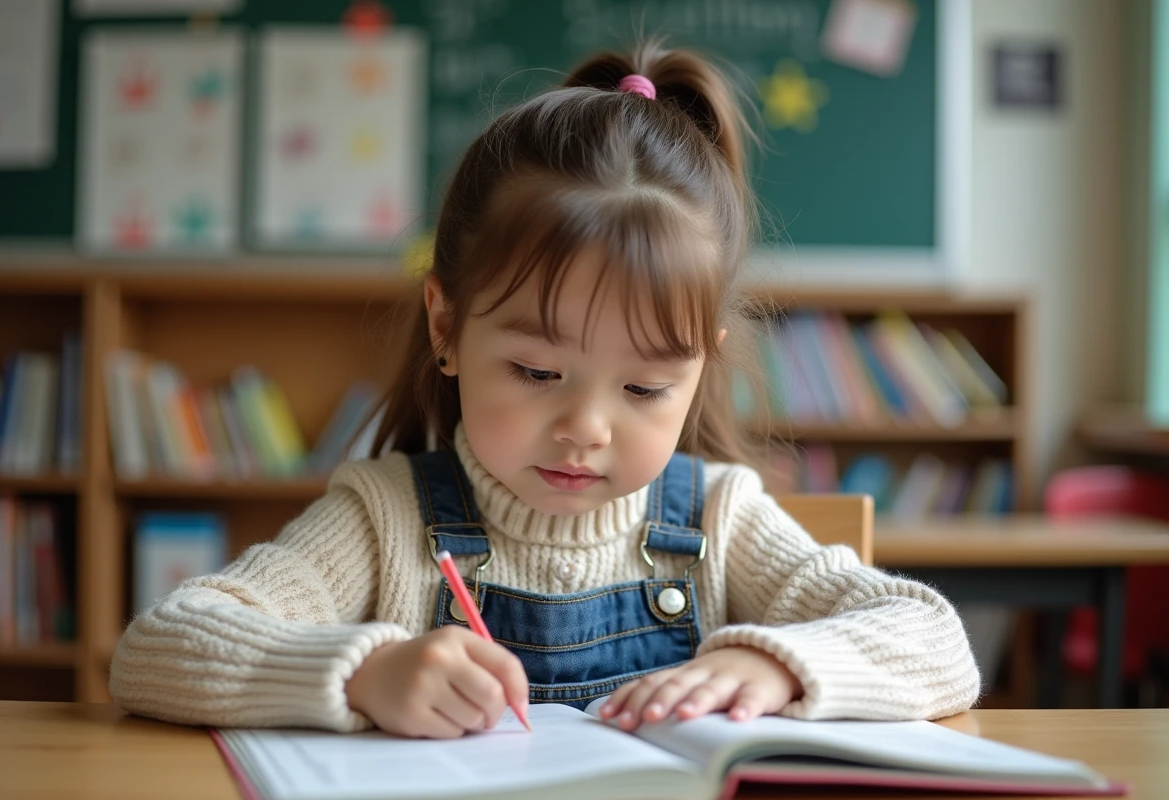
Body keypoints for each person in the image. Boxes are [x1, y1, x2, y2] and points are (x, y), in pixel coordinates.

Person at [110, 43, 981, 738]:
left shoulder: (720, 520)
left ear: (700, 370)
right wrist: (363, 674)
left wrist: (777, 666)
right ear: (447, 327)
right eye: (536, 372)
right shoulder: (385, 519)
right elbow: (159, 646)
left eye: (645, 386)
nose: (586, 428)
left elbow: (937, 642)